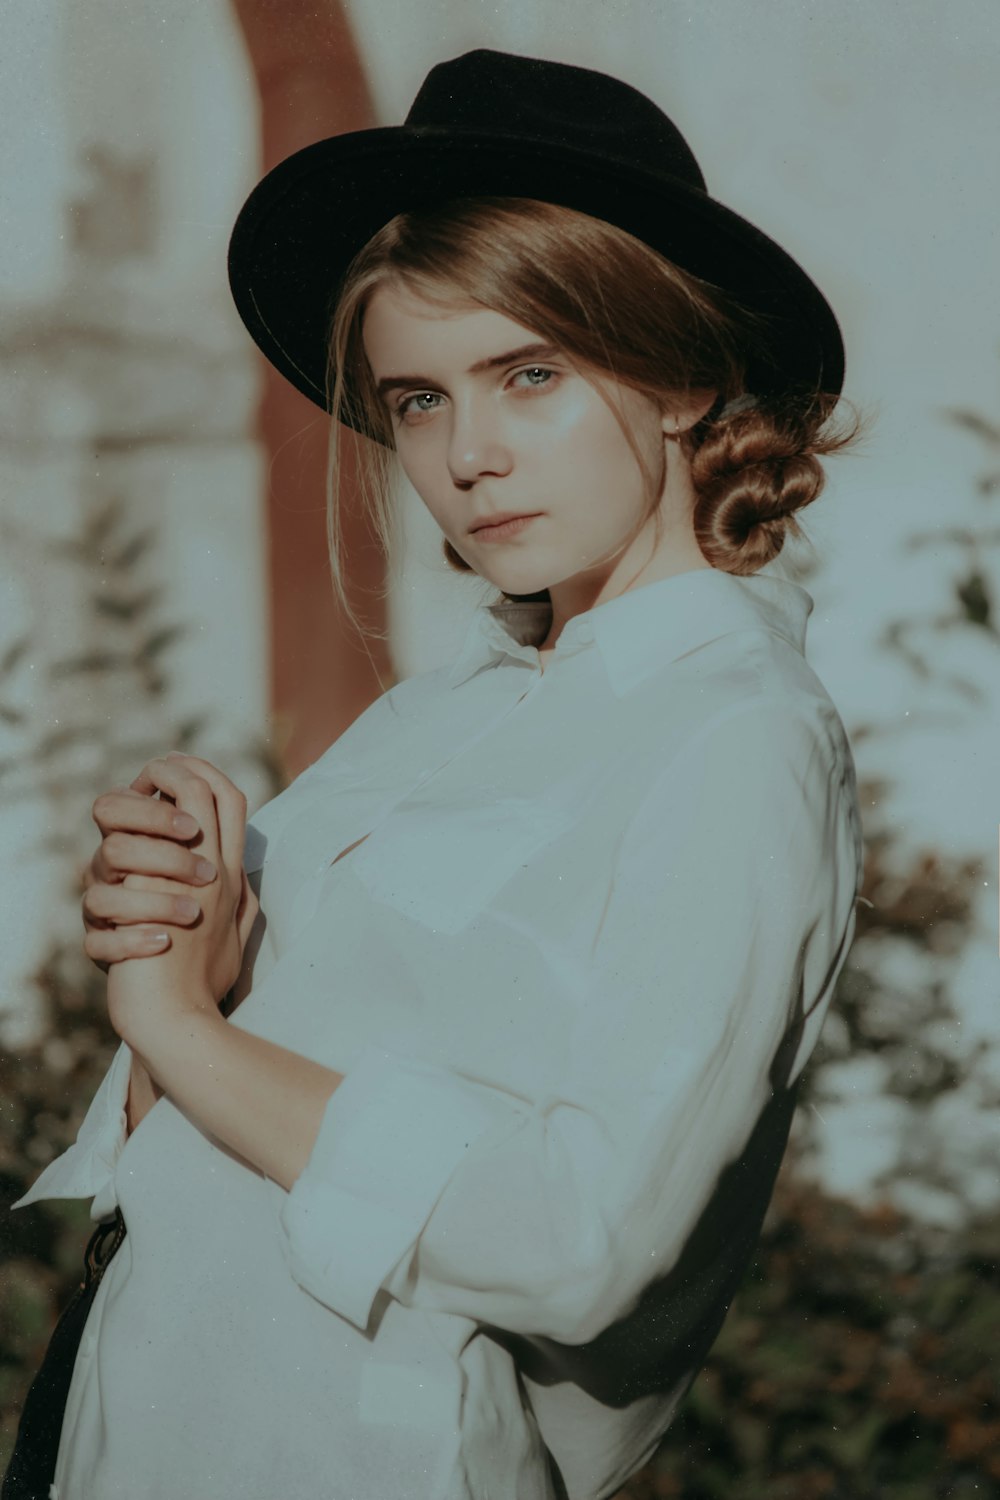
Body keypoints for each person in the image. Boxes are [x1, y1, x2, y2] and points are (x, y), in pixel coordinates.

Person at [8, 48, 867, 1500]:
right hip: (138, 1429)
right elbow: (209, 1146)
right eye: (416, 399)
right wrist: (195, 941)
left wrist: (182, 1030)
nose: (467, 455)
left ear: (681, 375)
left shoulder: (737, 736)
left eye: (529, 376)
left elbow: (583, 1241)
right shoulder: (453, 705)